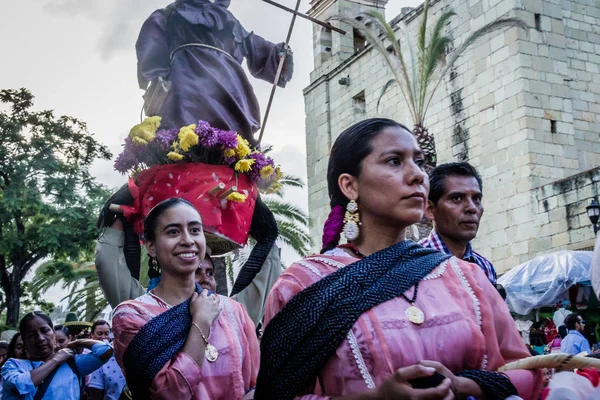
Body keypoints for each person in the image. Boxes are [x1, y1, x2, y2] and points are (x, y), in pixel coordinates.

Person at [256, 119, 541, 400]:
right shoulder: (302, 285)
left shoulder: (467, 277)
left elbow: (529, 373)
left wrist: (465, 386)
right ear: (350, 186)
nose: (417, 175)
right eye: (394, 161)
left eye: (420, 161)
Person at [112, 198, 259, 399]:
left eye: (195, 230)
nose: (188, 240)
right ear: (151, 247)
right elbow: (169, 393)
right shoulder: (131, 316)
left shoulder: (233, 310)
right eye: (173, 231)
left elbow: (257, 382)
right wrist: (201, 322)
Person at [137, 0, 294, 147]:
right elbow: (152, 48)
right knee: (185, 130)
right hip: (187, 81)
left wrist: (279, 55)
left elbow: (254, 46)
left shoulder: (226, 18)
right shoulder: (170, 14)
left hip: (228, 85)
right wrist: (158, 79)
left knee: (232, 136)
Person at [96, 216, 281, 327]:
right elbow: (108, 264)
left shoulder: (231, 311)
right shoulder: (141, 308)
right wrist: (123, 214)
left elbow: (264, 282)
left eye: (210, 273)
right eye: (196, 272)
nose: (206, 279)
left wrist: (267, 234)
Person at [1, 311, 112, 399]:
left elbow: (105, 351)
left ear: (53, 333)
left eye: (45, 331)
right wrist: (56, 360)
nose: (40, 338)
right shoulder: (12, 366)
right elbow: (19, 385)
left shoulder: (72, 363)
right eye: (31, 335)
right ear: (25, 342)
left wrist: (74, 343)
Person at [419, 162, 497, 284]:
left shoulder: (485, 268)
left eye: (476, 199)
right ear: (430, 209)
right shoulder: (414, 266)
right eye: (457, 198)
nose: (472, 208)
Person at [86, 320, 127, 400]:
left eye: (106, 333)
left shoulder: (119, 353)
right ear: (92, 335)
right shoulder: (93, 359)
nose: (103, 337)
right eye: (99, 334)